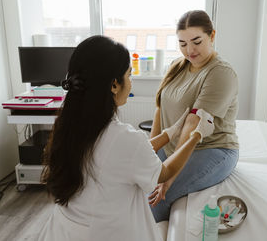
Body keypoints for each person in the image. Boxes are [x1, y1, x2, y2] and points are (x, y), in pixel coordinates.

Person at [37, 35, 215, 241]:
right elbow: (163, 173)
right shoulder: (124, 138)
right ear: (114, 84)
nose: (130, 83)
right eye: (129, 76)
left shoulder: (71, 125)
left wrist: (169, 134)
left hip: (63, 231)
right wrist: (196, 135)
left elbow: (114, 155)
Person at [149, 10, 239, 222]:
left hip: (212, 149)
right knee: (136, 186)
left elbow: (193, 122)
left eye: (196, 41)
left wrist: (170, 177)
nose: (189, 50)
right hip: (174, 147)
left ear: (212, 36)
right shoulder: (177, 66)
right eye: (182, 43)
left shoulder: (220, 73)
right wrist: (150, 149)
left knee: (156, 199)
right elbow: (160, 110)